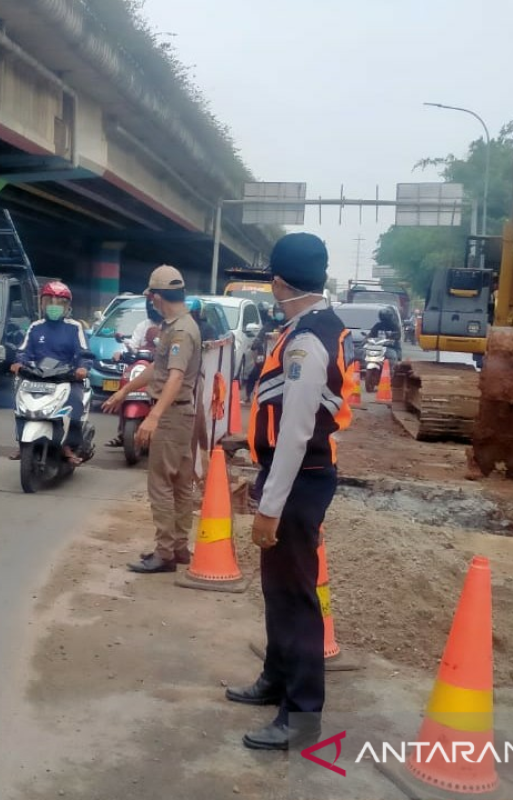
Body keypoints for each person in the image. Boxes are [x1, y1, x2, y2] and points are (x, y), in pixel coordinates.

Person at [227, 232, 354, 751]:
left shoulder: (306, 341)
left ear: (279, 282)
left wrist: (269, 508)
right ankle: (275, 680)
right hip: (293, 475)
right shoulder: (312, 327)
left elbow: (298, 433)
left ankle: (300, 717)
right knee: (279, 592)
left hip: (298, 481)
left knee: (296, 599)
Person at [101, 265, 202, 573]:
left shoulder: (180, 331)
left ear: (157, 297)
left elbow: (173, 377)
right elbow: (155, 370)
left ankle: (165, 553)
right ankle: (179, 547)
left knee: (161, 483)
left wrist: (153, 416)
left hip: (172, 414)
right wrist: (123, 393)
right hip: (181, 411)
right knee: (181, 481)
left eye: (150, 295)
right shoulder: (177, 325)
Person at [8, 281, 93, 463]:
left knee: (76, 404)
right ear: (42, 303)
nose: (54, 306)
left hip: (67, 378)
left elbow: (84, 352)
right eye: (49, 301)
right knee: (19, 403)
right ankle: (23, 443)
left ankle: (68, 446)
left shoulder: (74, 327)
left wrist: (83, 367)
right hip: (38, 376)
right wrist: (18, 363)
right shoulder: (35, 327)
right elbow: (23, 351)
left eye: (59, 303)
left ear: (67, 306)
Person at [104, 298, 162, 448]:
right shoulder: (143, 325)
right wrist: (121, 353)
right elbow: (133, 345)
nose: (154, 309)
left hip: (160, 368)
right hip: (141, 365)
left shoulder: (169, 327)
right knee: (124, 386)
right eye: (151, 306)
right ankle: (122, 432)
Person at [244, 302, 286, 402]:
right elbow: (260, 336)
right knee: (254, 374)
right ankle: (247, 397)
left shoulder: (288, 326)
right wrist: (256, 343)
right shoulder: (269, 325)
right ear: (274, 313)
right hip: (267, 357)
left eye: (281, 312)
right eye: (278, 312)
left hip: (283, 358)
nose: (280, 314)